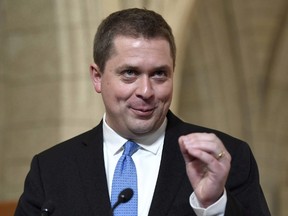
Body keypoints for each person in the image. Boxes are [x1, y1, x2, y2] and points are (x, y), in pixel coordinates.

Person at [14, 8, 271, 216]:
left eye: (159, 74)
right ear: (97, 77)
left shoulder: (225, 158)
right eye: (130, 73)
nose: (146, 91)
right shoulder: (51, 169)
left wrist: (213, 204)